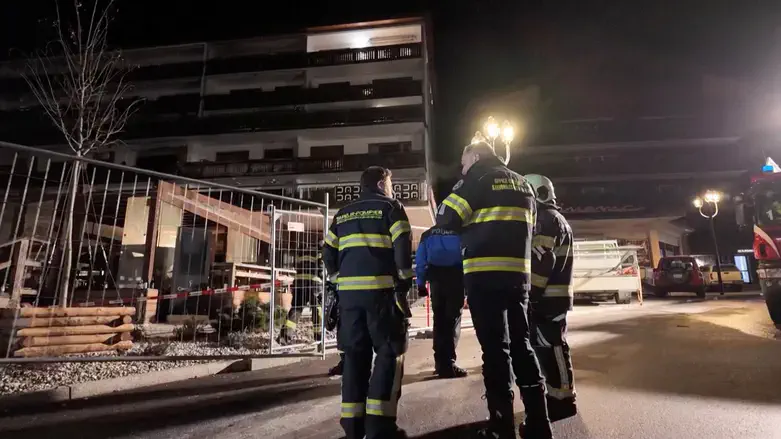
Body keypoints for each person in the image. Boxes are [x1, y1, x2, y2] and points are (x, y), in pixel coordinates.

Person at [436, 141, 552, 439]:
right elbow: (533, 228)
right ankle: (539, 423)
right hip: (518, 279)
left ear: (475, 156)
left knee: (495, 350)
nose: (462, 166)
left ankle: (502, 425)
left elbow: (445, 217)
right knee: (522, 346)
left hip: (485, 278)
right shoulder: (524, 184)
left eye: (463, 160)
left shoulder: (477, 180)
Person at [323, 166, 413, 439]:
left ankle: (353, 428)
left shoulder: (343, 213)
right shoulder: (391, 207)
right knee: (388, 356)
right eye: (391, 182)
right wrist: (404, 282)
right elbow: (403, 246)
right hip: (382, 295)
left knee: (354, 359)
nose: (392, 187)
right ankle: (380, 428)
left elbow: (328, 251)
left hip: (349, 299)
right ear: (382, 182)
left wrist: (339, 280)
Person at [524, 174, 577, 425]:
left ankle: (562, 401)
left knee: (553, 348)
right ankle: (558, 396)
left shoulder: (545, 220)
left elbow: (542, 260)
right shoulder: (556, 219)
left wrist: (530, 295)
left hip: (547, 299)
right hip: (553, 298)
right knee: (551, 347)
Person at [415, 226, 468, 378]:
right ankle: (449, 364)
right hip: (456, 277)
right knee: (453, 319)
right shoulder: (461, 231)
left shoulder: (428, 234)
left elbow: (421, 260)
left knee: (439, 320)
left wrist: (420, 283)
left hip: (436, 279)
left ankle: (440, 363)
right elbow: (467, 255)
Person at [279, 245, 323, 345]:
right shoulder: (319, 250)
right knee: (317, 309)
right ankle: (318, 337)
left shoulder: (300, 251)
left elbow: (297, 266)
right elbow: (321, 267)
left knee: (296, 309)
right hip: (314, 284)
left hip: (300, 283)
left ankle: (285, 337)